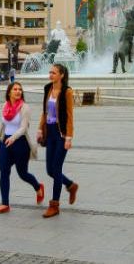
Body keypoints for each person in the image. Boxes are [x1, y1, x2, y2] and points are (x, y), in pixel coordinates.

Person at [0, 82, 44, 214]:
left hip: (20, 143)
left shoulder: (25, 107)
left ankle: (38, 187)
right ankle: (5, 204)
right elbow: (4, 124)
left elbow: (24, 127)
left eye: (20, 89)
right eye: (15, 89)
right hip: (5, 142)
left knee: (23, 174)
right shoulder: (5, 105)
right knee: (4, 172)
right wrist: (1, 139)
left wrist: (13, 138)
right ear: (9, 92)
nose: (18, 91)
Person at [37, 63, 78, 218]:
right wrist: (40, 129)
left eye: (54, 73)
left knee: (56, 168)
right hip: (50, 132)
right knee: (50, 170)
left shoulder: (67, 91)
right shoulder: (48, 88)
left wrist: (69, 137)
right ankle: (70, 185)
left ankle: (54, 205)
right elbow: (45, 111)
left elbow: (69, 116)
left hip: (61, 134)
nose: (50, 75)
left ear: (61, 75)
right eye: (50, 72)